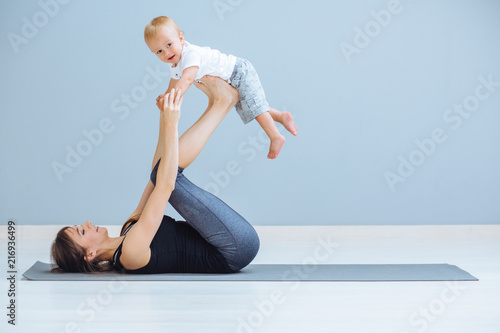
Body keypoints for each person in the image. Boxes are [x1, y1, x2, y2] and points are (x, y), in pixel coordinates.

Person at [51, 76, 260, 274]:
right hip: (235, 249)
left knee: (159, 174)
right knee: (170, 179)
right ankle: (223, 103)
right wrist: (172, 123)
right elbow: (166, 186)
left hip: (229, 240)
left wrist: (165, 112)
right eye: (82, 232)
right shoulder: (130, 254)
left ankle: (219, 104)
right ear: (90, 254)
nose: (87, 223)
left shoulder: (128, 229)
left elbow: (156, 176)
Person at [144, 16, 298, 159]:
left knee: (253, 105)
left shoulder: (190, 54)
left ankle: (275, 136)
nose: (166, 52)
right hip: (229, 79)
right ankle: (280, 116)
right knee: (248, 105)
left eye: (169, 45)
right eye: (159, 51)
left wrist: (174, 98)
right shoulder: (175, 64)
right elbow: (174, 81)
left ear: (181, 38)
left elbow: (187, 79)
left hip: (239, 71)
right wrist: (166, 95)